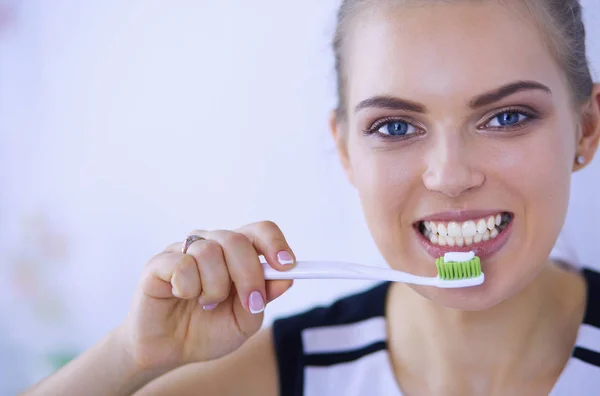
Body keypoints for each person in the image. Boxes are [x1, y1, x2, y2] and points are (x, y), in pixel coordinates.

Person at [22, 0, 600, 395]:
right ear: (345, 150)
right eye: (395, 127)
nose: (450, 176)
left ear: (585, 129)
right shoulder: (283, 371)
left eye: (507, 116)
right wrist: (132, 356)